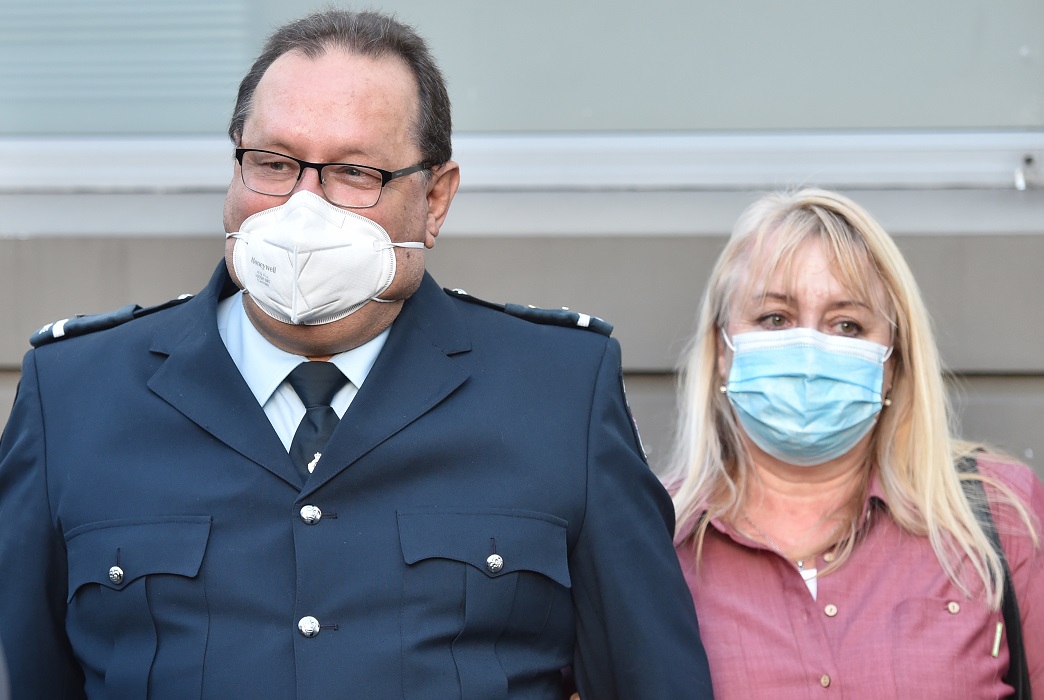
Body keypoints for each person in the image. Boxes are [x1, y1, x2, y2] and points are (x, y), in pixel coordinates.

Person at [0, 10, 713, 699]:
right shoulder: (76, 394)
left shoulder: (557, 392)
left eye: (354, 173)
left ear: (435, 200)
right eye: (274, 163)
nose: (301, 207)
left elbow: (649, 677)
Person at [668, 188, 1043, 698]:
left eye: (848, 325)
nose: (811, 350)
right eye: (774, 318)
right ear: (723, 352)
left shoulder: (1000, 516)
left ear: (892, 365)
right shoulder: (649, 544)